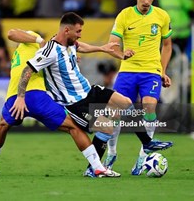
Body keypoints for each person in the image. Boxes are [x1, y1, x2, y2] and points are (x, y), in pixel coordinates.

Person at [10, 12, 173, 177]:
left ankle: (147, 143)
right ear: (67, 30)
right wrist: (20, 97)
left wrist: (102, 48)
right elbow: (27, 70)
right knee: (107, 127)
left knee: (125, 102)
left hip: (89, 91)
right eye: (78, 31)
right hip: (75, 103)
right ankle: (92, 168)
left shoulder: (70, 42)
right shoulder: (50, 51)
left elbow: (81, 46)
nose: (80, 35)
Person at [0, 29, 119, 178]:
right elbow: (11, 33)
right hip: (36, 95)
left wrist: (70, 58)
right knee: (72, 127)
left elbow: (59, 59)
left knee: (2, 125)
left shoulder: (22, 54)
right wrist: (38, 39)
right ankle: (97, 167)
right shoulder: (34, 41)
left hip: (15, 97)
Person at [107, 0, 173, 175]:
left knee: (149, 106)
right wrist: (121, 54)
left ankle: (144, 155)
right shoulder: (125, 15)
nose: (146, 1)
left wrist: (162, 71)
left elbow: (167, 46)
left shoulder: (162, 16)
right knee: (115, 112)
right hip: (127, 70)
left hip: (151, 71)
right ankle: (111, 153)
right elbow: (112, 44)